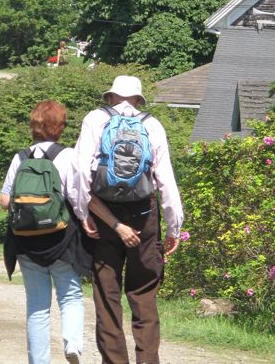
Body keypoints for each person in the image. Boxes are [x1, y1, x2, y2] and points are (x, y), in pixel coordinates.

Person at [68, 75, 184, 364]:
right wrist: (174, 226)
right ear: (138, 99)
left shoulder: (95, 119)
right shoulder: (151, 124)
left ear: (111, 97)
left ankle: (114, 361)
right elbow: (165, 179)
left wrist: (84, 213)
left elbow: (80, 172)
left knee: (106, 293)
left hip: (105, 214)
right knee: (143, 292)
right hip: (145, 214)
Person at [0, 100, 91, 364]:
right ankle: (72, 344)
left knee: (37, 307)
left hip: (26, 242)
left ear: (34, 125)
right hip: (62, 239)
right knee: (70, 296)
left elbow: (5, 201)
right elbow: (78, 197)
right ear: (60, 126)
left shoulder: (20, 157)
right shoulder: (69, 155)